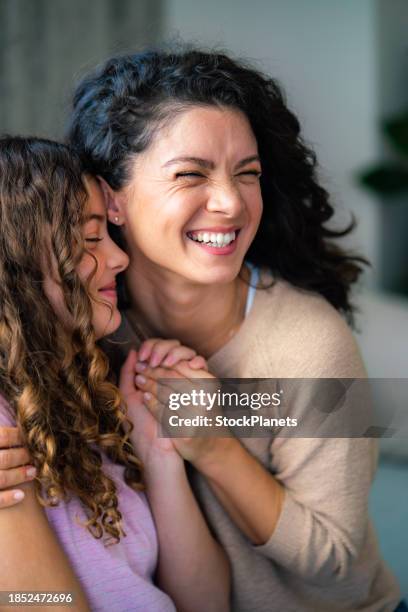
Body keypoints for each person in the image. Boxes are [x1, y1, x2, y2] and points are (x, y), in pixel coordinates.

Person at [0, 47, 404, 611]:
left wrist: (214, 442)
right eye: (191, 173)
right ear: (111, 199)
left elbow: (335, 559)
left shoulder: (310, 339)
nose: (231, 202)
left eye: (248, 174)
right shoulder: (94, 322)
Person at [0, 136, 230, 612]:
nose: (120, 258)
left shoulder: (85, 397)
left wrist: (155, 448)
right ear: (17, 264)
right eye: (89, 239)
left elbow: (205, 602)